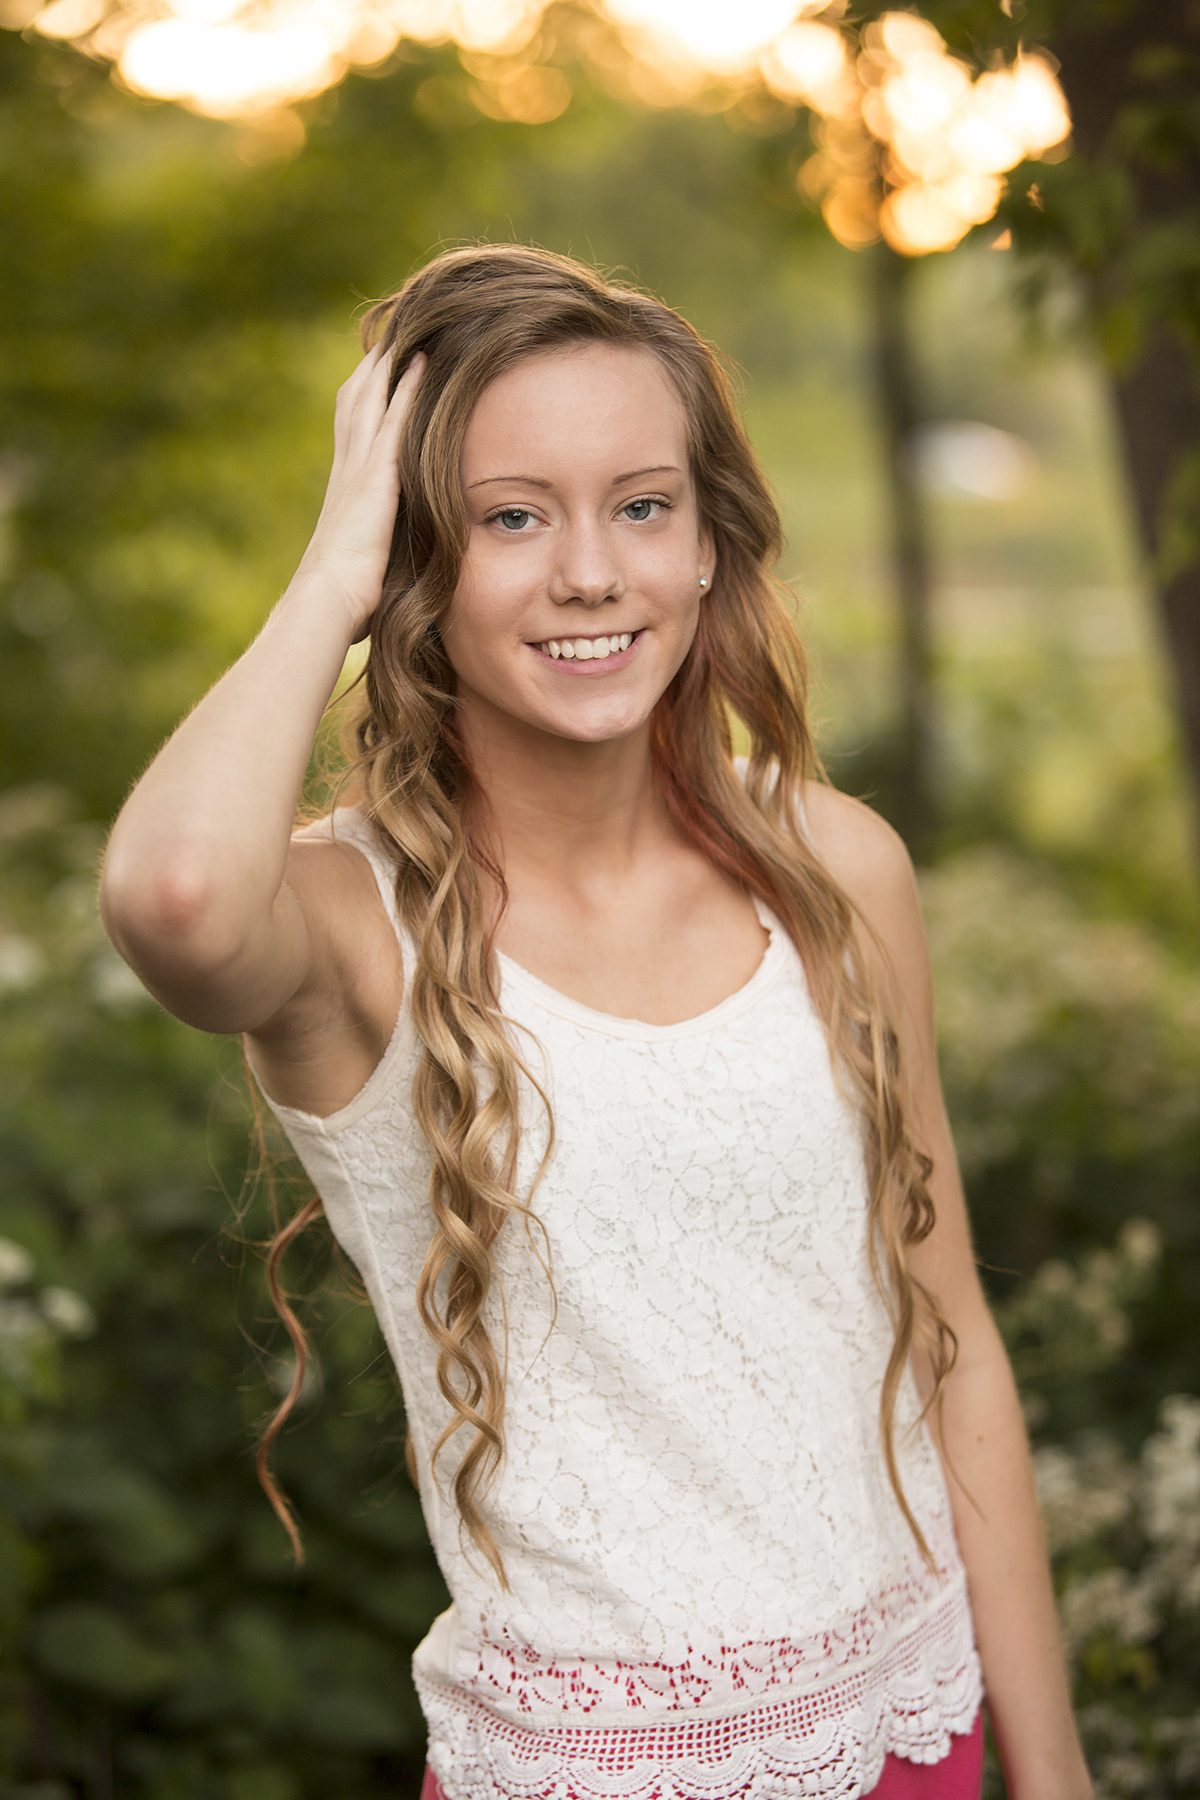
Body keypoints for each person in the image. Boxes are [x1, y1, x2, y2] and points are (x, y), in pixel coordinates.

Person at [100, 244, 1091, 1800]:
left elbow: (950, 1345)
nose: (590, 572)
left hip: (919, 1735)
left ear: (710, 545)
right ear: (415, 573)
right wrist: (329, 574)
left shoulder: (834, 867)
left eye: (643, 505)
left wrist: (1058, 1780)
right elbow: (170, 896)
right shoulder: (355, 932)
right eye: (510, 517)